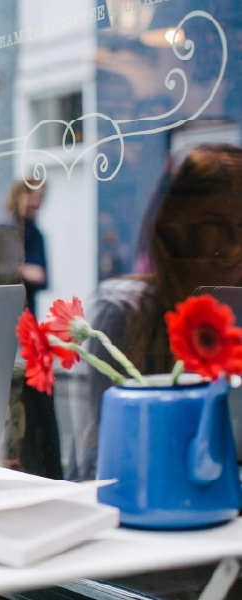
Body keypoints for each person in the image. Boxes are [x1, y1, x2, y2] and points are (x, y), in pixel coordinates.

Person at [74, 143, 242, 479]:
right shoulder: (126, 312)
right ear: (172, 231)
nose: (233, 245)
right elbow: (105, 460)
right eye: (212, 228)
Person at [0, 179, 48, 316]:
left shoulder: (37, 235)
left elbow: (43, 278)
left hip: (27, 312)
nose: (35, 202)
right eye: (31, 196)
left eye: (39, 197)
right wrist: (19, 270)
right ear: (17, 197)